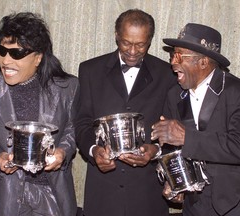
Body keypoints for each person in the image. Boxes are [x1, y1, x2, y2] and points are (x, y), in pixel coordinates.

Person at [0, 12, 79, 216]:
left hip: (53, 192)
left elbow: (73, 127)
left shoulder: (67, 87)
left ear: (38, 57)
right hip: (7, 194)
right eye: (2, 51)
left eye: (16, 53)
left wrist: (63, 151)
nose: (6, 60)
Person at [75, 9, 176, 216]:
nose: (132, 51)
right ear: (116, 36)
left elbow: (176, 130)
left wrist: (155, 151)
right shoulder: (90, 70)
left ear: (150, 40)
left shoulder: (168, 74)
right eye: (126, 43)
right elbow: (82, 122)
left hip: (148, 195)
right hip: (102, 193)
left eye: (140, 45)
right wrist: (94, 151)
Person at [151, 23, 240, 215]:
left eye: (180, 55)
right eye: (172, 54)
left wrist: (187, 137)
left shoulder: (236, 92)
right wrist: (175, 181)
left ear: (203, 62)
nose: (173, 62)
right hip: (194, 206)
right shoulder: (174, 95)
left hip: (233, 203)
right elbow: (172, 149)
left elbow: (238, 145)